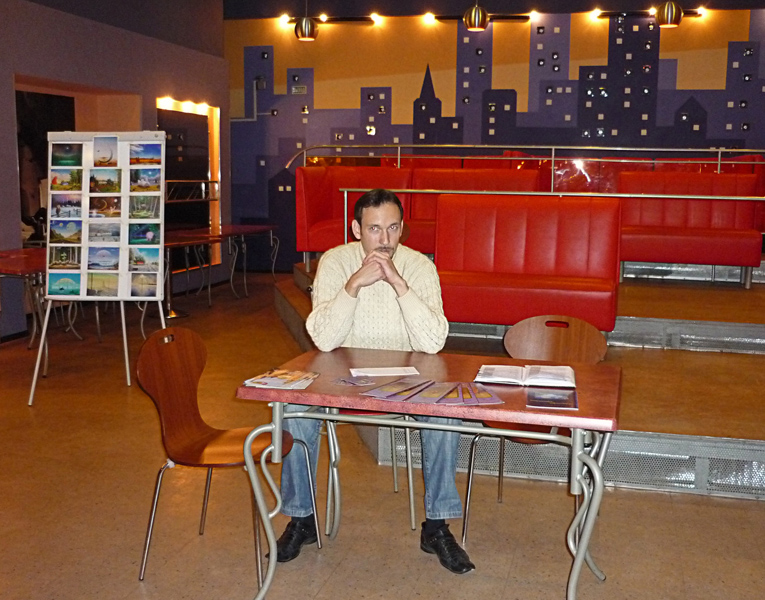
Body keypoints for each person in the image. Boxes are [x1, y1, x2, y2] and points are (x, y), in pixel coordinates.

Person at [276, 188, 475, 574]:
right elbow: (324, 339)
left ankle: (436, 527)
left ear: (402, 228)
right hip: (342, 377)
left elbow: (433, 342)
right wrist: (353, 285)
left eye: (393, 228)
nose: (385, 240)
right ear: (356, 229)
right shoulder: (335, 262)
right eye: (374, 229)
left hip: (406, 378)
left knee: (446, 412)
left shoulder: (419, 267)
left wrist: (399, 284)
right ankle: (302, 518)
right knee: (295, 408)